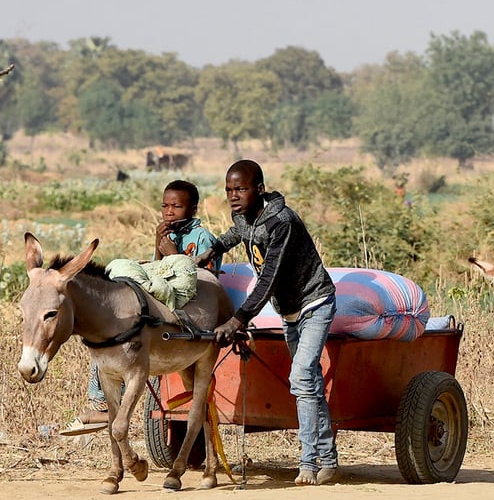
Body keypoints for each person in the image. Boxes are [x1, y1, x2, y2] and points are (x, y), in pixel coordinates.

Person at [197, 160, 339, 486]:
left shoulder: (281, 222)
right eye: (229, 190)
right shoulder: (243, 216)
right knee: (310, 383)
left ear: (259, 189)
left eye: (241, 189)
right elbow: (236, 234)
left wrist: (237, 320)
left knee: (301, 378)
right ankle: (329, 460)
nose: (234, 196)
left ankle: (308, 464)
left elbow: (268, 279)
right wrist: (212, 250)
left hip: (315, 303)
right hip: (288, 311)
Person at [61, 179, 217, 437]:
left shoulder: (202, 238)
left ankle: (107, 405)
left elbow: (200, 278)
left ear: (193, 210)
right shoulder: (165, 234)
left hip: (190, 303)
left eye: (176, 207)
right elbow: (158, 269)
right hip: (162, 296)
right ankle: (101, 402)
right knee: (111, 330)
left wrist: (174, 253)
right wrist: (158, 246)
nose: (169, 212)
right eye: (165, 206)